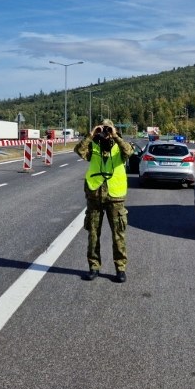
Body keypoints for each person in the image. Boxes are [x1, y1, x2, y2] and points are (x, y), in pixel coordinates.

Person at [74, 119, 133, 283]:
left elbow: (129, 152)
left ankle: (120, 269)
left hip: (115, 196)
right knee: (93, 234)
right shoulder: (93, 145)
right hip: (95, 195)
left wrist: (116, 136)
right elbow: (79, 150)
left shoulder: (119, 146)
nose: (105, 132)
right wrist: (91, 134)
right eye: (103, 129)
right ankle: (94, 267)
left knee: (118, 235)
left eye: (108, 129)